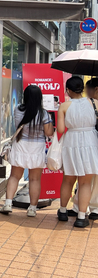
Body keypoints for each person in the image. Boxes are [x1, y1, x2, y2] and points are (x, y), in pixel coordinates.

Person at [0, 85, 53, 217]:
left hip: (20, 145)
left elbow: (18, 126)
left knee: (14, 176)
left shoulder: (18, 109)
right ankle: (32, 209)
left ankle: (7, 204)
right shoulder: (44, 113)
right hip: (37, 147)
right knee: (35, 179)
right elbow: (49, 132)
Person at [57, 76, 98, 228]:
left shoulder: (64, 106)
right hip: (90, 141)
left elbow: (61, 130)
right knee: (85, 182)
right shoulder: (95, 103)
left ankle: (62, 211)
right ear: (82, 88)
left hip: (71, 141)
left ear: (68, 90)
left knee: (68, 179)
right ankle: (81, 217)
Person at [70, 78, 98, 219]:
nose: (86, 92)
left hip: (93, 144)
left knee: (88, 177)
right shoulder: (88, 103)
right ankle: (82, 207)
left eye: (89, 89)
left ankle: (93, 208)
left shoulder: (93, 103)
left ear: (96, 89)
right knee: (86, 177)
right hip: (91, 144)